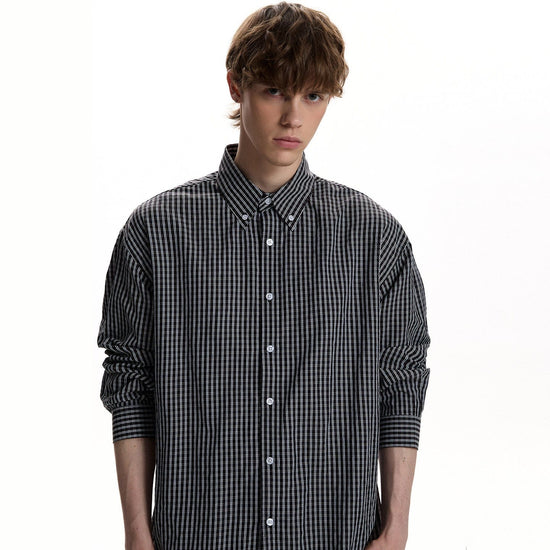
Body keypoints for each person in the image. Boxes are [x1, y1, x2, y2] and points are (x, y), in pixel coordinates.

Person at [96, 3, 431, 549]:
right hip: (199, 535)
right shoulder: (156, 232)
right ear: (237, 85)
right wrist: (137, 532)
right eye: (275, 91)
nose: (293, 117)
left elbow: (401, 382)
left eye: (313, 96)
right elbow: (130, 383)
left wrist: (396, 527)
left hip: (335, 534)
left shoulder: (374, 238)